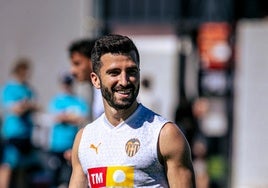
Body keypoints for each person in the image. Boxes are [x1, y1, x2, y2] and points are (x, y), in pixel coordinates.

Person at [69, 34, 196, 187]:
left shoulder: (164, 134)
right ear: (96, 80)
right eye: (114, 72)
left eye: (131, 71)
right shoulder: (84, 139)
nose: (124, 81)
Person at [0, 58, 40, 188]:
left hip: (26, 135)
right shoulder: (9, 88)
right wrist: (25, 106)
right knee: (8, 165)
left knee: (23, 167)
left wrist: (27, 106)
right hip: (13, 134)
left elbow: (37, 106)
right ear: (19, 71)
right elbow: (15, 109)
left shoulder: (28, 89)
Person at [47, 72, 89, 187]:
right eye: (65, 83)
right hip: (56, 145)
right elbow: (56, 117)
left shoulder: (78, 101)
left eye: (69, 83)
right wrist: (70, 117)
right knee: (54, 176)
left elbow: (81, 118)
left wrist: (66, 117)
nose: (66, 86)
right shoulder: (56, 100)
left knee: (71, 176)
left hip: (72, 145)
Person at [68, 39, 104, 121]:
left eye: (77, 63)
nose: (72, 71)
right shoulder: (95, 90)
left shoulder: (108, 90)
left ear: (92, 61)